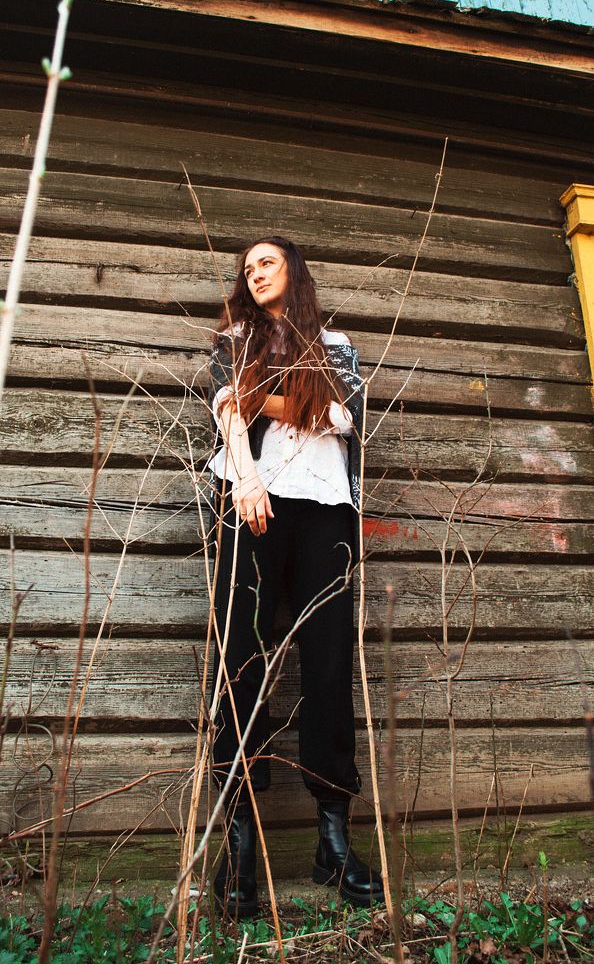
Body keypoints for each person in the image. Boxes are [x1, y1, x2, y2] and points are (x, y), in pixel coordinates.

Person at [206, 236, 383, 918]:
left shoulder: (334, 346)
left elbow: (345, 415)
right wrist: (247, 478)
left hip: (325, 509)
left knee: (329, 665)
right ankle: (239, 842)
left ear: (294, 272)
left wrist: (265, 398)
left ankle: (333, 839)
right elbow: (227, 410)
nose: (255, 273)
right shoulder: (233, 340)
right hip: (252, 502)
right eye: (247, 267)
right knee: (240, 659)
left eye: (267, 263)